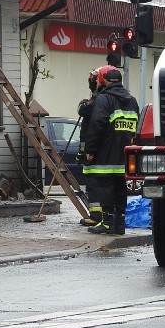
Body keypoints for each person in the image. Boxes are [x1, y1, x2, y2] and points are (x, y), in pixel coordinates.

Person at [82, 65, 139, 235]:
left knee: (105, 188)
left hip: (106, 154)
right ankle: (119, 224)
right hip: (125, 155)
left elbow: (97, 125)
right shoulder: (132, 100)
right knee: (121, 189)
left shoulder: (103, 99)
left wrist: (90, 150)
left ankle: (107, 223)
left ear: (103, 81)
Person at [76, 67, 103, 227]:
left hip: (95, 152)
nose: (91, 83)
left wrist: (85, 101)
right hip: (97, 150)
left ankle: (96, 216)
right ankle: (102, 216)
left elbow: (82, 110)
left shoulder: (97, 101)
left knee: (94, 184)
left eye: (92, 80)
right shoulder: (105, 99)